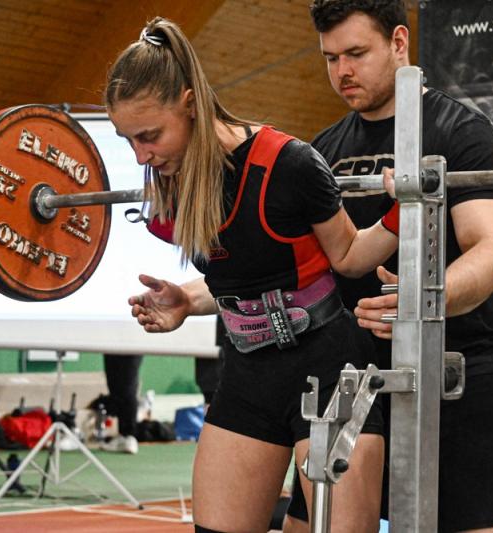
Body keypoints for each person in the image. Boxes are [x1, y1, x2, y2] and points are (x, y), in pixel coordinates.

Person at [105, 17, 402, 533]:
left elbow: (351, 256)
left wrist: (404, 209)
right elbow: (243, 274)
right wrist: (187, 300)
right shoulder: (176, 188)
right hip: (248, 375)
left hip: (331, 372)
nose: (140, 155)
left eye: (149, 136)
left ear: (190, 104)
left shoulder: (290, 165)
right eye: (127, 140)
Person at [283, 2, 493, 532]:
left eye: (356, 53)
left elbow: (489, 252)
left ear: (398, 42)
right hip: (354, 381)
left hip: (458, 377)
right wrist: (196, 298)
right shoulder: (321, 152)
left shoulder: (462, 133)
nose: (342, 71)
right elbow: (291, 266)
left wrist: (420, 301)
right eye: (330, 58)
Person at [100, 353, 143, 454]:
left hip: (130, 348)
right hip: (113, 348)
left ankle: (129, 436)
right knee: (116, 386)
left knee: (127, 386)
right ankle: (124, 436)